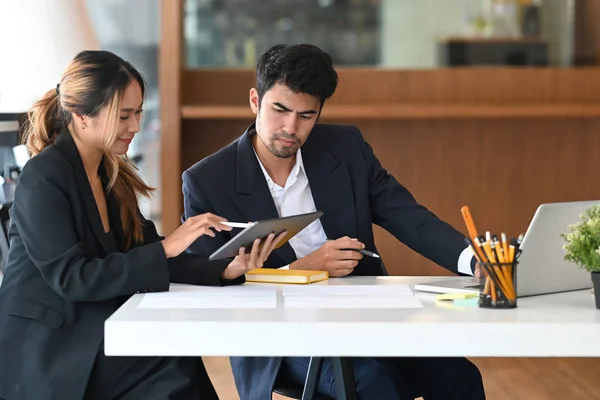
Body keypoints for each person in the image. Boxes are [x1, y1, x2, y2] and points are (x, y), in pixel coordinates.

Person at [182, 44, 485, 399]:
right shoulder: (207, 181)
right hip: (279, 334)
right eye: (279, 110)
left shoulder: (345, 147)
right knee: (373, 383)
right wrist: (303, 268)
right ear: (255, 101)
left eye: (306, 115)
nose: (290, 128)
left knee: (459, 376)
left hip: (363, 315)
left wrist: (474, 260)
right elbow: (210, 282)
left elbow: (407, 215)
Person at [0, 50, 283, 400]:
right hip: (51, 347)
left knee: (178, 357)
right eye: (124, 116)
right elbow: (72, 278)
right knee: (171, 370)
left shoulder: (109, 173)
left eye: (138, 113)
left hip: (97, 327)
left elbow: (147, 254)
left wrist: (226, 269)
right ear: (82, 115)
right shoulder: (43, 177)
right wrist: (168, 246)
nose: (135, 126)